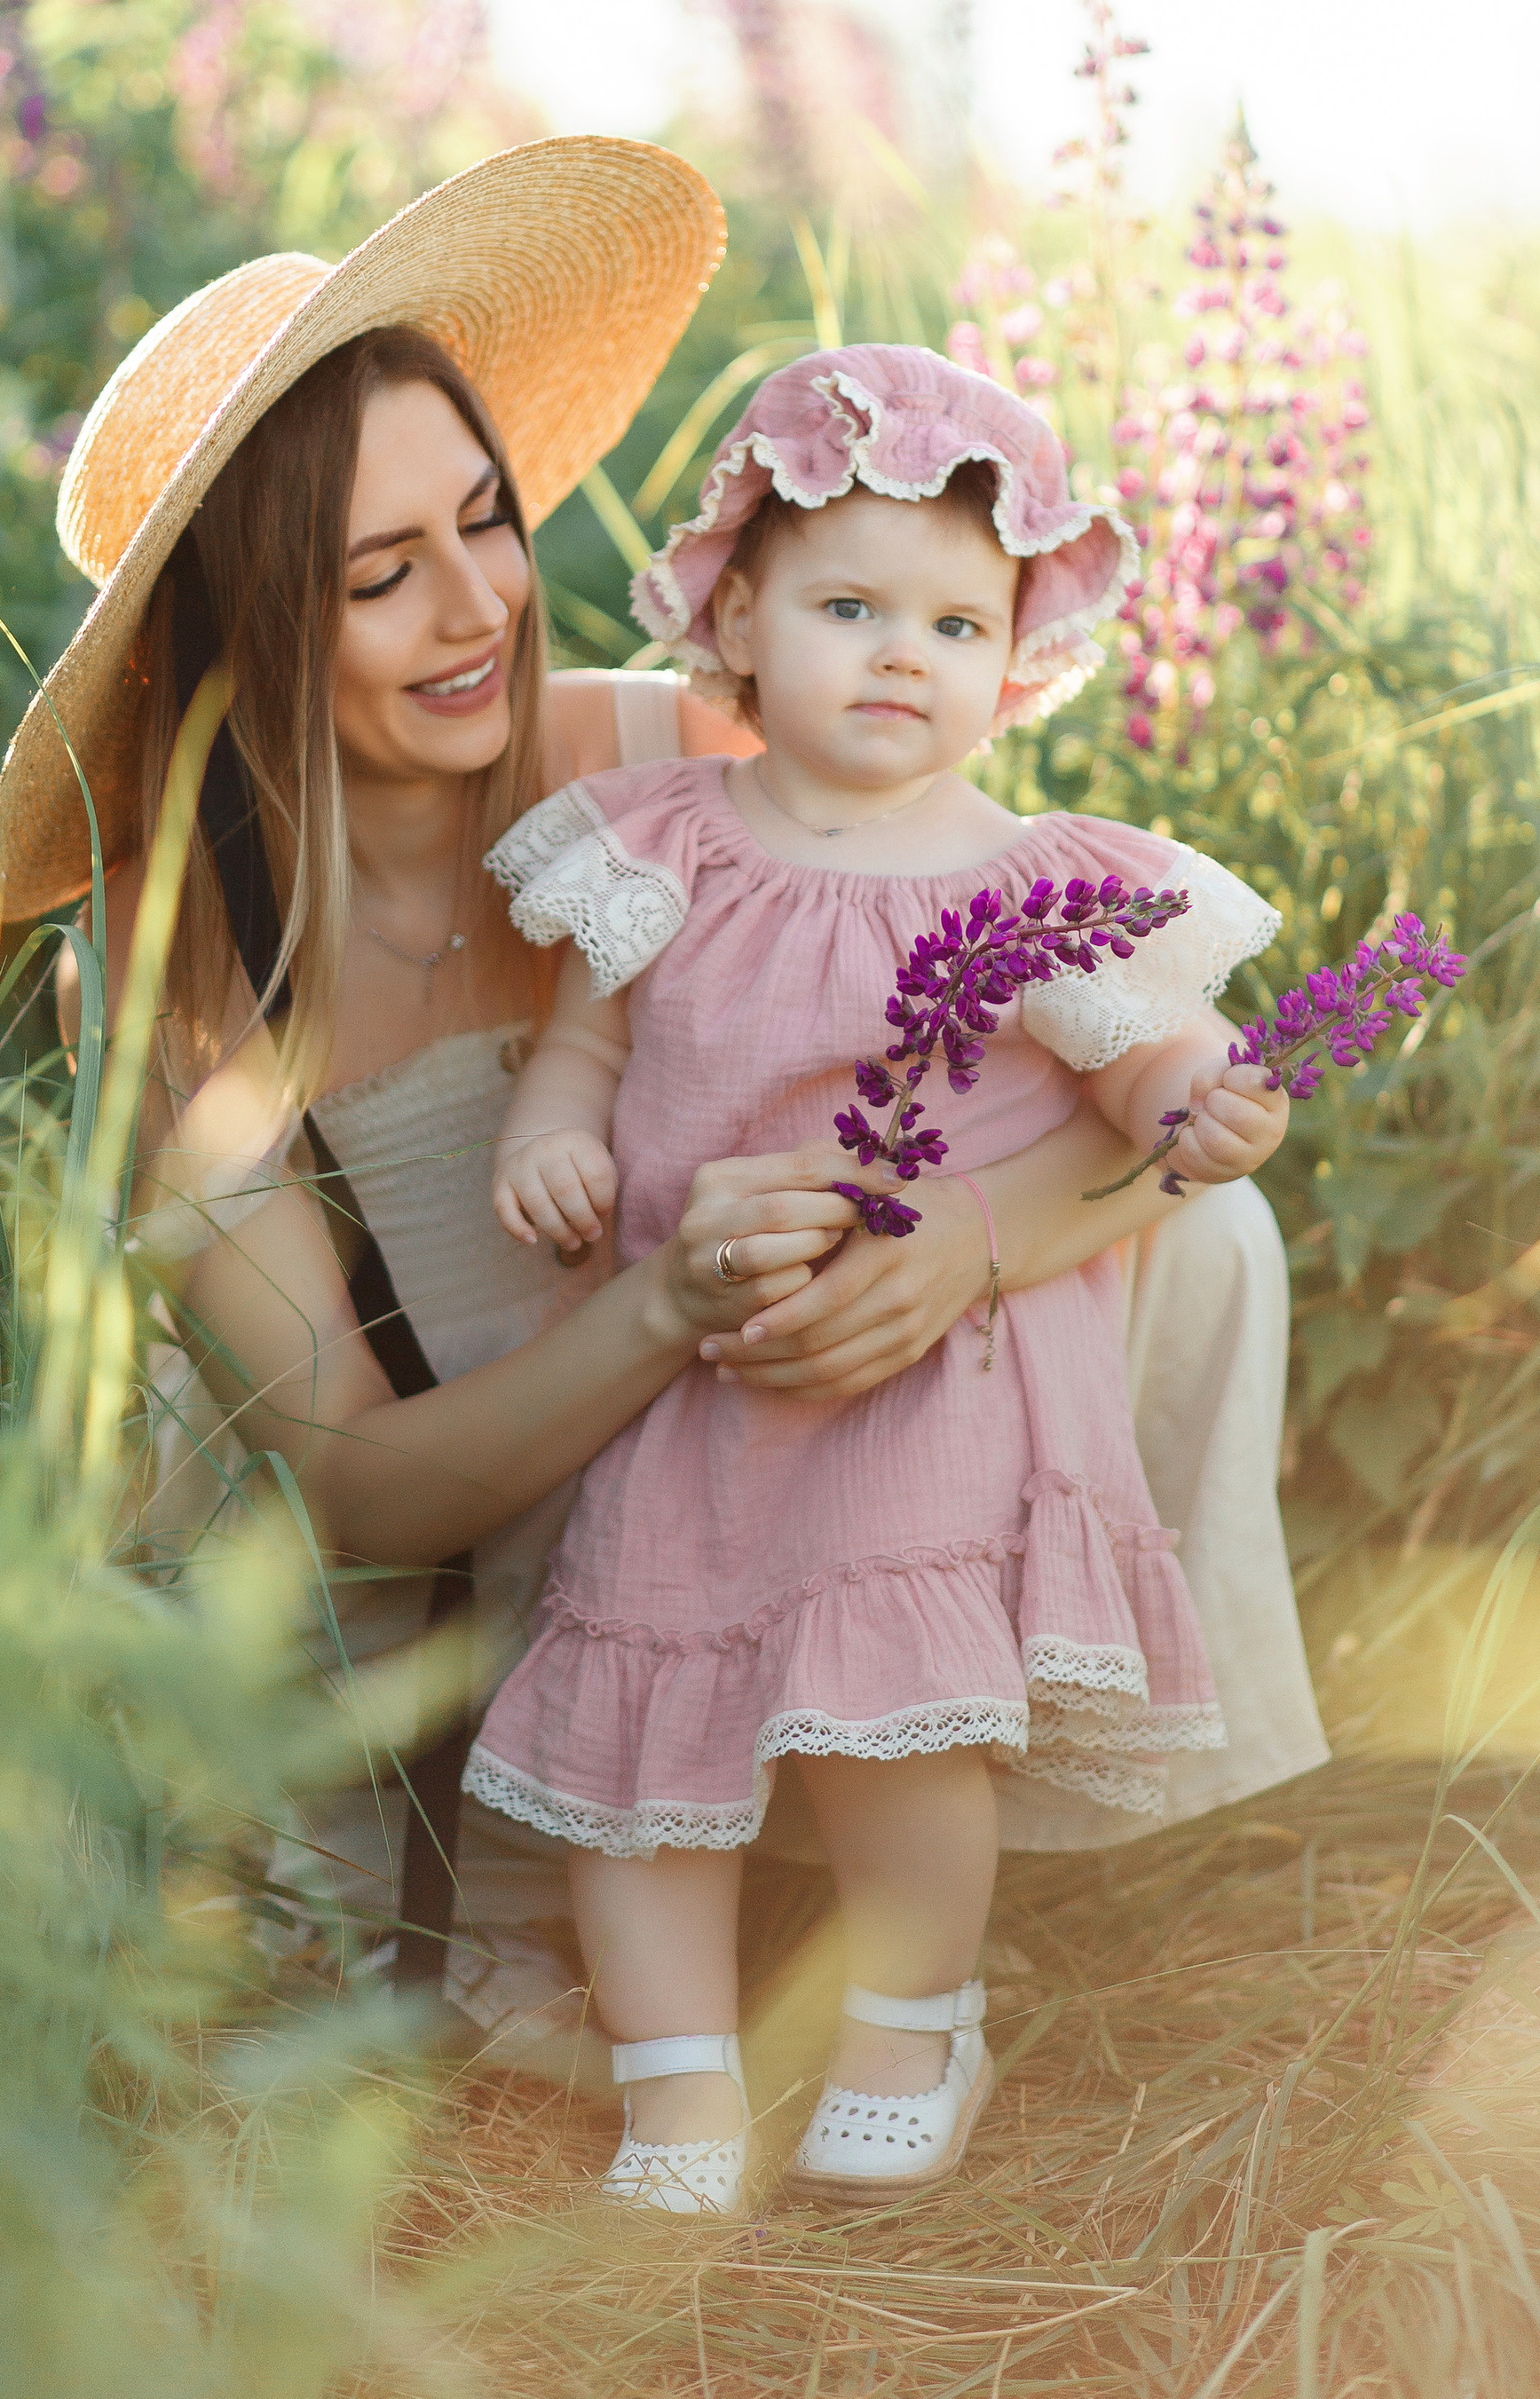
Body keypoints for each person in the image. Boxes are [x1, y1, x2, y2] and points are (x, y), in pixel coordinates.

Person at [0, 154, 1250, 2067]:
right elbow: (354, 1486)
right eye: (378, 576)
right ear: (248, 621)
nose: (477, 605)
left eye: (482, 521)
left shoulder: (659, 758)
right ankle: (691, 1845)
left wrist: (960, 1255)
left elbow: (1037, 1012)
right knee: (534, 1311)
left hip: (793, 1446)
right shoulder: (171, 981)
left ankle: (1008, 1771)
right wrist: (662, 1305)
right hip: (466, 1567)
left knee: (1215, 1232)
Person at [467, 344, 1307, 2214]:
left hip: (922, 1393)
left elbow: (1134, 1055)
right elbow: (586, 1052)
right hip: (690, 1381)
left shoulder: (1027, 879)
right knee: (641, 1747)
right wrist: (551, 1136)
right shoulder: (658, 844)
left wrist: (1198, 1091)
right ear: (736, 620)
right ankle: (675, 2091)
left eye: (953, 619)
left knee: (891, 1742)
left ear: (1015, 653)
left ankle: (909, 2021)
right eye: (849, 607)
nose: (900, 655)